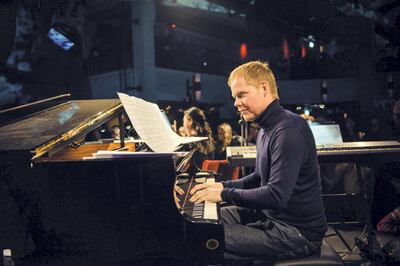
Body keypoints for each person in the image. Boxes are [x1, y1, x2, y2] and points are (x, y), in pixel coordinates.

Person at [188, 61, 327, 262]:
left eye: (241, 95)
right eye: (234, 97)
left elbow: (275, 196)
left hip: (296, 232)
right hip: (270, 217)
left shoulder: (287, 131)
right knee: (200, 221)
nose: (236, 102)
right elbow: (259, 177)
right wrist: (221, 185)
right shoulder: (266, 128)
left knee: (201, 237)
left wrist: (224, 193)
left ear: (264, 88)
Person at [182, 107, 215, 173]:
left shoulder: (190, 143)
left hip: (195, 179)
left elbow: (184, 167)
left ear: (190, 121)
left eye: (184, 121)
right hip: (208, 177)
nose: (183, 124)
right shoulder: (209, 139)